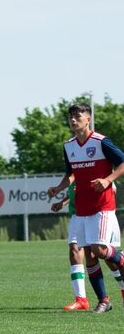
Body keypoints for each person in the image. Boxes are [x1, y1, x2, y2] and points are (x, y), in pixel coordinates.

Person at [47, 103, 124, 312]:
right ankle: (104, 301)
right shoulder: (69, 146)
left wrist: (108, 180)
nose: (73, 120)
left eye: (78, 116)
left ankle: (122, 259)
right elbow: (70, 174)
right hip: (81, 208)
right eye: (71, 116)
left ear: (88, 119)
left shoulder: (101, 142)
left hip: (102, 205)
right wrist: (59, 188)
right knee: (88, 254)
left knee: (99, 250)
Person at [50, 181, 117, 312]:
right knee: (75, 251)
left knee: (103, 255)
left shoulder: (95, 166)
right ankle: (81, 300)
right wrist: (62, 202)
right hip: (77, 215)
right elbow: (73, 193)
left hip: (97, 214)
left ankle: (122, 287)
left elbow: (111, 189)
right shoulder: (73, 168)